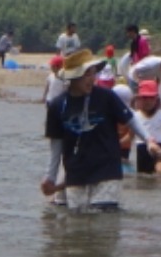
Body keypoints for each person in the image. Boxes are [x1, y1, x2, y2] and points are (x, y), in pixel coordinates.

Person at [42, 51, 132, 211]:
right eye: (87, 74)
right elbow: (56, 146)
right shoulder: (58, 105)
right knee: (78, 222)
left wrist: (150, 140)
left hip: (107, 169)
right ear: (73, 78)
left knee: (103, 220)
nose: (92, 78)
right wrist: (50, 177)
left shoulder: (106, 97)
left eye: (93, 73)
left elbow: (131, 119)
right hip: (76, 173)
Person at [129, 80, 161, 175]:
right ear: (139, 99)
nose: (148, 101)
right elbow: (130, 137)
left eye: (151, 98)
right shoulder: (135, 116)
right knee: (144, 177)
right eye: (145, 98)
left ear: (156, 99)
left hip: (159, 147)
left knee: (160, 172)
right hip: (142, 148)